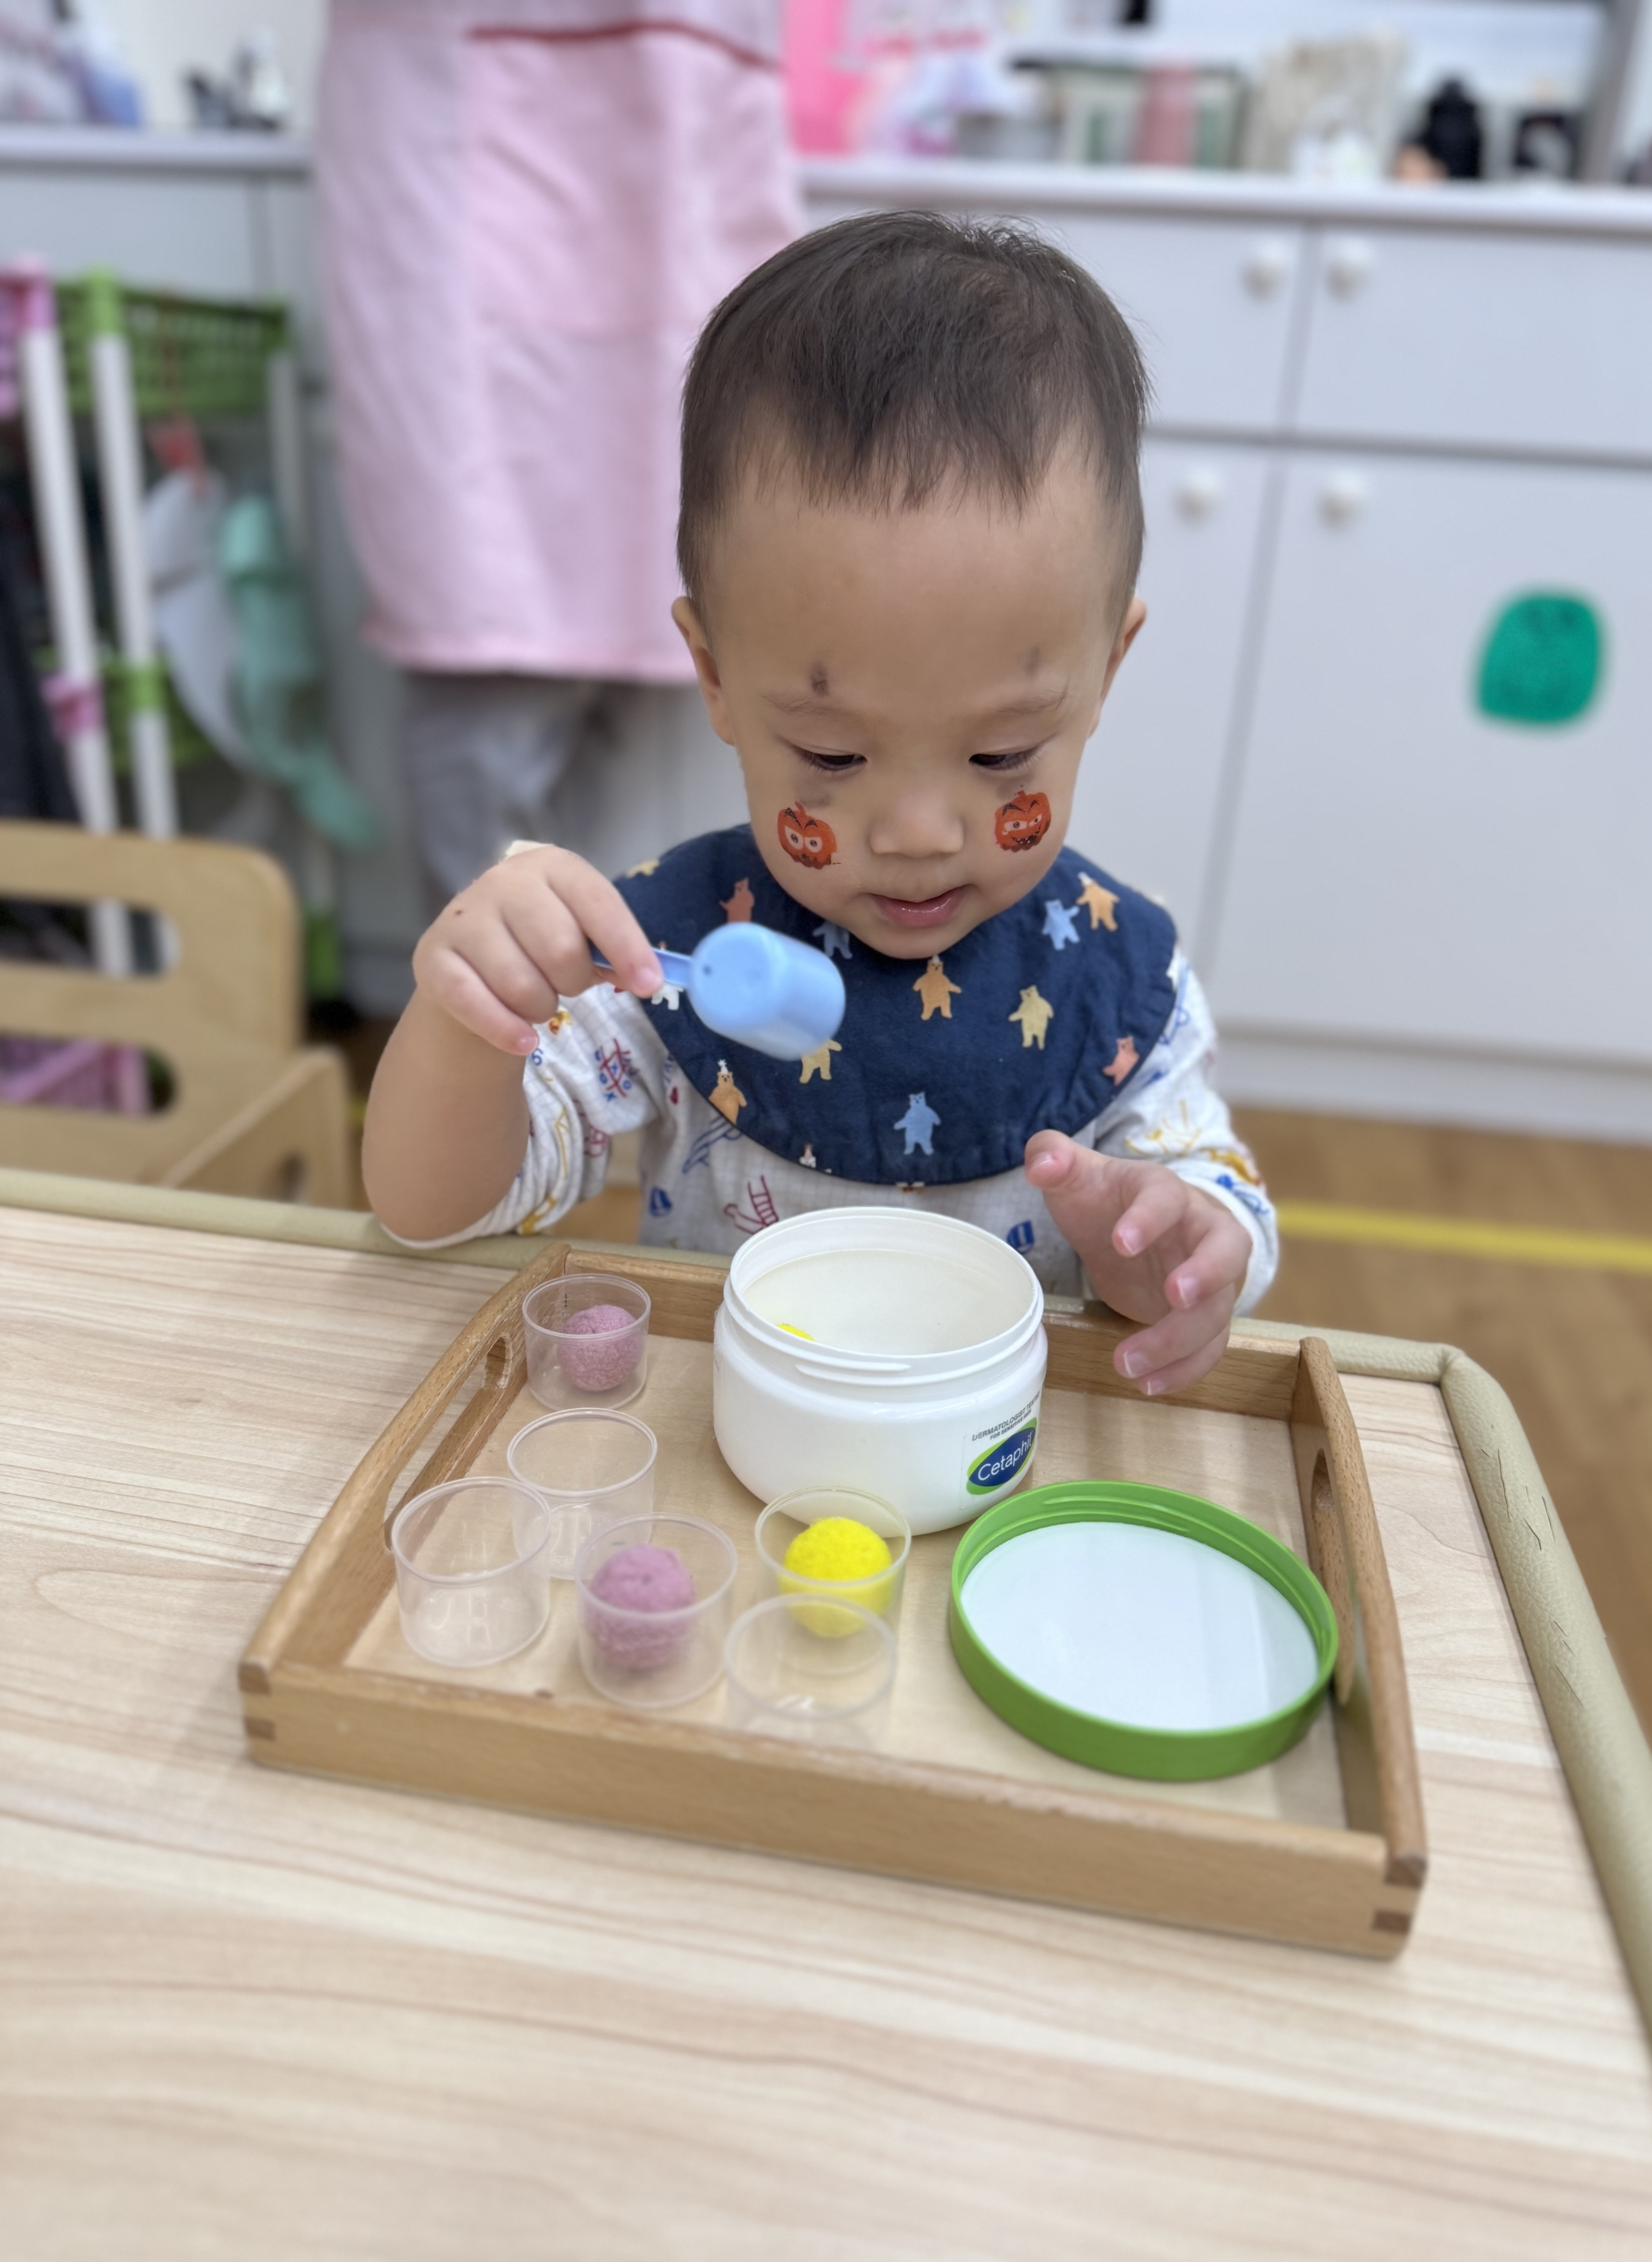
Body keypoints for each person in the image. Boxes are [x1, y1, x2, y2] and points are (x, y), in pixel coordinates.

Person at [363, 213, 1276, 1395]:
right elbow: (434, 1212)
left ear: (1104, 673)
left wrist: (1162, 1248)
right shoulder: (665, 955)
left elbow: (1204, 1219)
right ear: (715, 675)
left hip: (1005, 1464)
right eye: (833, 755)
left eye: (1001, 753)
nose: (917, 836)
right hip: (722, 1453)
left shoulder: (1116, 975)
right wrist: (464, 1021)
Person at [315, 0, 798, 903]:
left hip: (674, 129)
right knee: (490, 706)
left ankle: (566, 982)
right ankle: (497, 992)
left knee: (597, 712)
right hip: (453, 137)